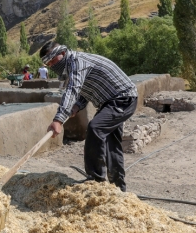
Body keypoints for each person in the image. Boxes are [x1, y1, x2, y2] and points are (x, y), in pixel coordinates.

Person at [40, 41, 138, 192]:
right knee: (112, 146)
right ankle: (118, 189)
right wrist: (77, 106)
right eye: (49, 63)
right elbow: (87, 89)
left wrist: (58, 120)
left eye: (54, 60)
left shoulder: (78, 63)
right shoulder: (73, 64)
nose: (53, 65)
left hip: (123, 99)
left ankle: (95, 179)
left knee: (95, 128)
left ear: (63, 53)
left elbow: (73, 89)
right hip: (111, 102)